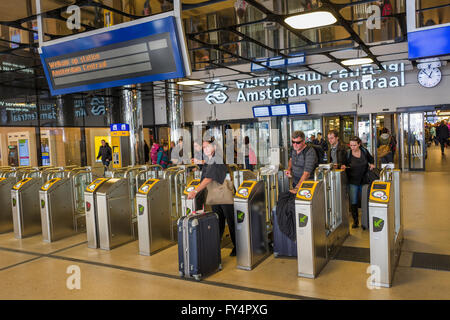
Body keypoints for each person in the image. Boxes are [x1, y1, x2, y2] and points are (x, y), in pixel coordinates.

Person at [187, 138, 237, 257]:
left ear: (214, 147)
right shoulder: (210, 159)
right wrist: (200, 162)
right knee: (217, 220)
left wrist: (195, 191)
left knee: (230, 221)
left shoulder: (216, 159)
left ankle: (237, 246)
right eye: (203, 147)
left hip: (223, 194)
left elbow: (208, 178)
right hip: (215, 195)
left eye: (207, 147)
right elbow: (208, 167)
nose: (205, 149)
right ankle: (215, 245)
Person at [342, 136, 375, 228]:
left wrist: (372, 164)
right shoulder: (348, 154)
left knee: (365, 201)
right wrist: (343, 166)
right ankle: (355, 221)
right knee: (354, 201)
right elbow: (343, 163)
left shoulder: (364, 151)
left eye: (354, 145)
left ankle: (366, 221)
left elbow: (371, 159)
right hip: (353, 181)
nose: (352, 147)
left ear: (359, 144)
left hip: (364, 180)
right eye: (351, 145)